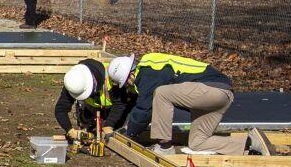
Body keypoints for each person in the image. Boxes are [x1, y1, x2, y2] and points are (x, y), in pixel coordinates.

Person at [108, 52, 271, 157]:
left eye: (126, 84)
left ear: (129, 76)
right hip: (221, 94)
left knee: (162, 93)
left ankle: (165, 147)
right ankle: (251, 143)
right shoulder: (151, 66)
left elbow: (145, 108)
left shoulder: (147, 71)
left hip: (211, 89)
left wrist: (128, 133)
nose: (129, 87)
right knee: (197, 142)